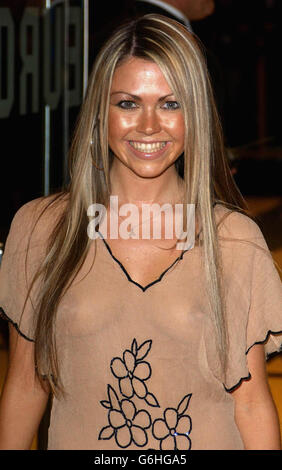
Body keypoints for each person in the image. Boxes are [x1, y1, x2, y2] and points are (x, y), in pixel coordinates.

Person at [0, 14, 281, 451]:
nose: (149, 125)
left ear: (196, 115)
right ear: (100, 112)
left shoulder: (234, 240)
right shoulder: (41, 230)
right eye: (128, 103)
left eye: (171, 104)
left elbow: (251, 405)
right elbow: (24, 385)